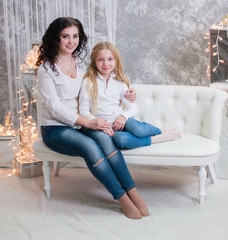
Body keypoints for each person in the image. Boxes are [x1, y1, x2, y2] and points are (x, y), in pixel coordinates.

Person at [35, 17, 148, 219]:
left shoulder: (80, 64)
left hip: (81, 123)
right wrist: (88, 122)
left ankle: (133, 192)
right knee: (90, 147)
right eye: (65, 36)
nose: (71, 41)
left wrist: (129, 94)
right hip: (55, 128)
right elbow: (54, 107)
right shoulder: (46, 70)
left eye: (75, 36)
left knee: (105, 139)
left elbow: (108, 78)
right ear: (55, 38)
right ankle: (122, 197)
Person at [79, 41, 181, 149]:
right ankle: (155, 139)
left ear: (116, 61)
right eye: (100, 59)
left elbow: (133, 108)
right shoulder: (88, 82)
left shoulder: (120, 82)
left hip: (122, 120)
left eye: (110, 59)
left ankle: (161, 131)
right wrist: (97, 122)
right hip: (102, 125)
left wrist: (123, 117)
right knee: (121, 140)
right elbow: (83, 111)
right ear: (94, 62)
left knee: (138, 129)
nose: (105, 63)